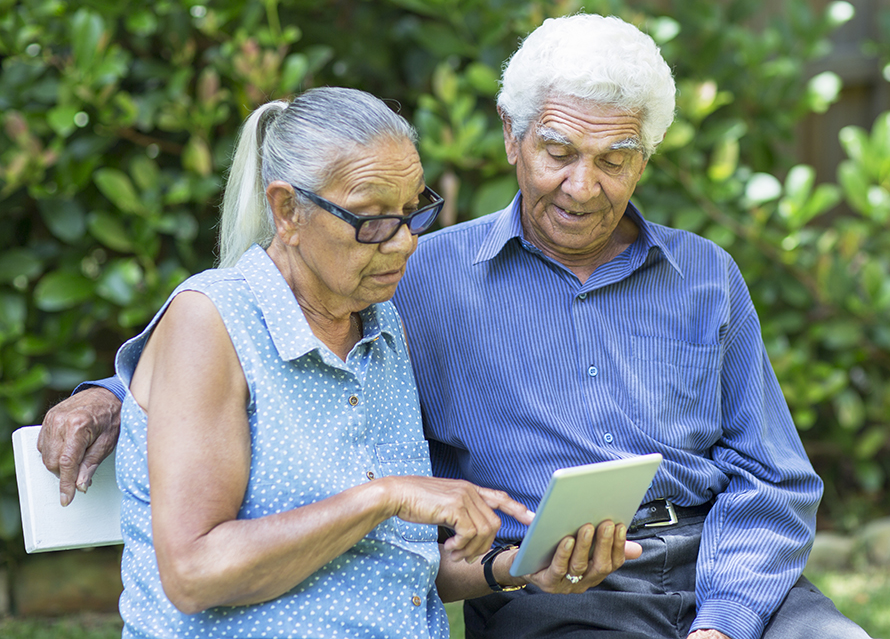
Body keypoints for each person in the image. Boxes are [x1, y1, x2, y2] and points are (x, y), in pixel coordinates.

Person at [41, 16, 869, 638]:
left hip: (702, 571)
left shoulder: (700, 275)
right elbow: (233, 329)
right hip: (565, 601)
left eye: (613, 158)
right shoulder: (414, 276)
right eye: (557, 151)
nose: (583, 186)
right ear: (511, 139)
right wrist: (111, 394)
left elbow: (774, 474)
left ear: (644, 157)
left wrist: (722, 619)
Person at [73, 86, 630, 639]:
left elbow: (391, 570)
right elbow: (196, 573)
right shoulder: (213, 320)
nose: (404, 244)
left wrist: (517, 567)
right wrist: (384, 497)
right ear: (287, 210)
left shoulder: (381, 323)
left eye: (412, 212)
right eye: (371, 220)